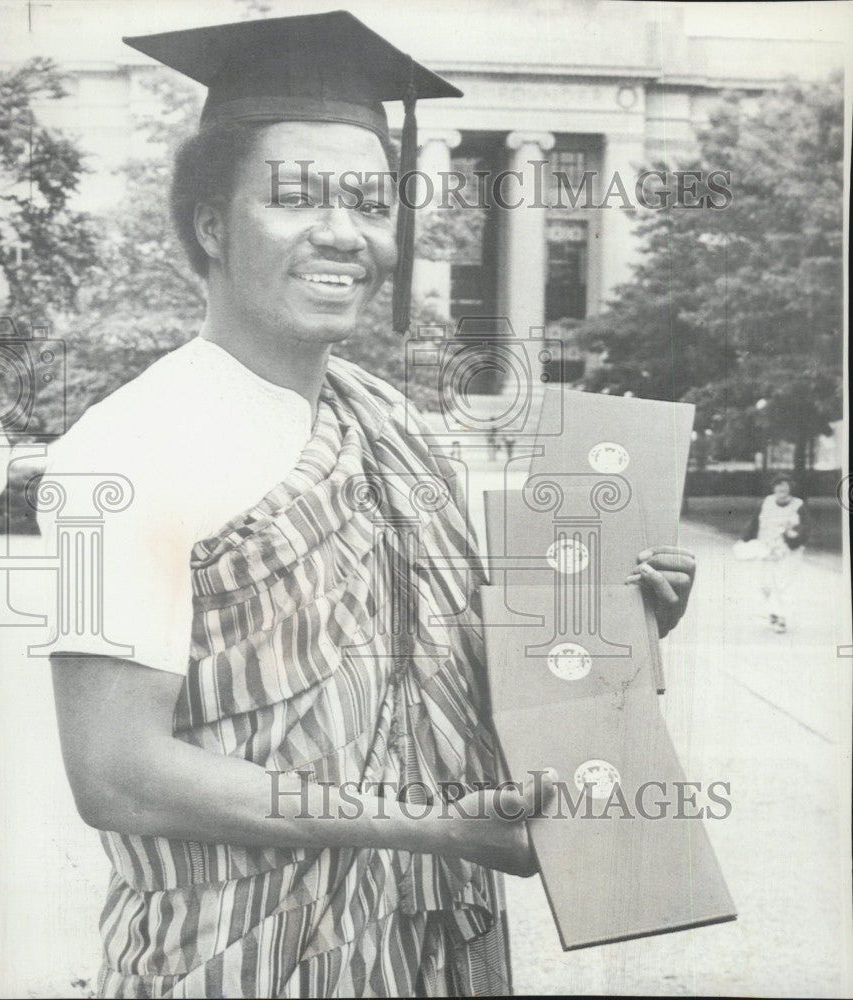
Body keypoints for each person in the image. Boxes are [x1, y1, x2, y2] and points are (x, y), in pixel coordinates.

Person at [40, 13, 696, 998]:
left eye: (371, 200)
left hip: (430, 949)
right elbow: (116, 771)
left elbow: (448, 683)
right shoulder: (118, 453)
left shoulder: (392, 419)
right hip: (235, 963)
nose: (343, 233)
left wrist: (607, 624)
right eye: (297, 197)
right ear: (210, 223)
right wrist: (429, 825)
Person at [741, 473, 809, 633]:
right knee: (764, 584)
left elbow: (806, 529)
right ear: (774, 488)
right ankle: (773, 612)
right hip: (766, 550)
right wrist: (745, 540)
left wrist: (792, 539)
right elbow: (754, 522)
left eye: (785, 486)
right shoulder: (766, 502)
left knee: (783, 584)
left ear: (790, 489)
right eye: (779, 486)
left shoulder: (798, 505)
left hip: (788, 552)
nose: (782, 489)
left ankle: (782, 618)